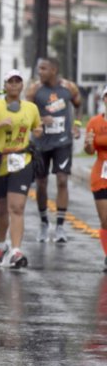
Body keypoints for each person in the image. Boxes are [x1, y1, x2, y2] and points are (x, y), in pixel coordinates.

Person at [0, 69, 42, 268]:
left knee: (17, 207)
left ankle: (16, 250)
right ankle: (2, 244)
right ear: (5, 85)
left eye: (17, 81)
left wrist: (38, 130)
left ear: (22, 85)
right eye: (10, 81)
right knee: (2, 209)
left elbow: (36, 127)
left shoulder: (31, 108)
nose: (13, 84)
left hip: (22, 160)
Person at [26, 57, 82, 243]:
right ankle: (43, 223)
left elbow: (78, 105)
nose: (39, 72)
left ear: (54, 70)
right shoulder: (34, 89)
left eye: (43, 68)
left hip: (63, 142)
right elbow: (26, 113)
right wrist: (40, 119)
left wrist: (76, 124)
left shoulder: (69, 87)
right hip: (41, 143)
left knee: (62, 180)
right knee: (41, 183)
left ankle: (60, 226)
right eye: (38, 68)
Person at [84, 86, 107, 271]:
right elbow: (90, 150)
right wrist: (88, 144)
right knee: (105, 219)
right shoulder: (94, 122)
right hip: (101, 173)